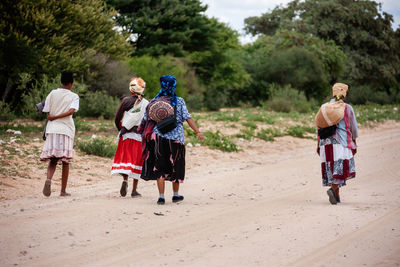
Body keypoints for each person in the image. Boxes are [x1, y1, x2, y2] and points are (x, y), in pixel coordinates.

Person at [139, 75, 204, 205]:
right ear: (174, 86)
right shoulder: (179, 101)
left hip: (158, 137)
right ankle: (175, 195)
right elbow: (187, 117)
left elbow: (146, 118)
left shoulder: (155, 101)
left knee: (159, 167)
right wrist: (197, 131)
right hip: (176, 139)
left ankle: (161, 197)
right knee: (177, 165)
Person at [316, 83, 358, 205]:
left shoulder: (324, 107)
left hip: (325, 142)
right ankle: (332, 189)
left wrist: (318, 144)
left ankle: (336, 195)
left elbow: (318, 126)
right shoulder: (347, 108)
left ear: (333, 93)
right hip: (340, 141)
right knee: (339, 167)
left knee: (332, 167)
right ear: (344, 95)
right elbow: (353, 127)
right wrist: (354, 141)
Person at [40, 71, 79, 197]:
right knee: (66, 161)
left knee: (53, 160)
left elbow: (46, 111)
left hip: (52, 129)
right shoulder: (74, 96)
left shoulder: (52, 93)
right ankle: (63, 191)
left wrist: (53, 117)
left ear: (61, 82)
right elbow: (71, 111)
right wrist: (56, 116)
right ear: (72, 84)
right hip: (66, 130)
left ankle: (48, 179)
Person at [111, 77, 149, 197]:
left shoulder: (126, 101)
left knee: (126, 159)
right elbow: (147, 121)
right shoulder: (146, 103)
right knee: (137, 161)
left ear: (130, 89)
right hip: (139, 135)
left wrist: (121, 129)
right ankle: (134, 190)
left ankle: (125, 180)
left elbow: (117, 118)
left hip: (126, 134)